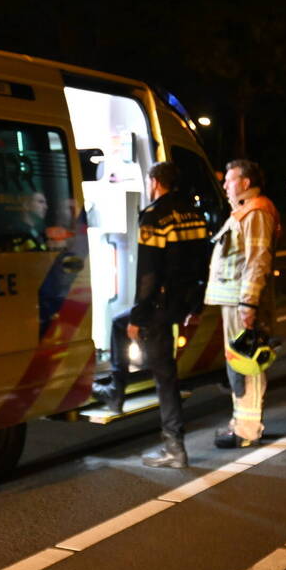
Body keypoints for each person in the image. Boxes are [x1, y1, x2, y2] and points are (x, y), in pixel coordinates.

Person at [92, 161, 209, 468]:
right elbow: (203, 263)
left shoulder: (155, 217)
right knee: (158, 363)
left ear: (155, 182)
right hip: (182, 302)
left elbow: (148, 274)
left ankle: (173, 447)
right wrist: (195, 306)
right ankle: (117, 393)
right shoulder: (193, 213)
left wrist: (137, 317)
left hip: (159, 304)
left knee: (163, 375)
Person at [204, 159, 280, 448]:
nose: (224, 185)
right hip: (235, 302)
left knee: (248, 364)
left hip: (242, 303)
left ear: (245, 183)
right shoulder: (243, 211)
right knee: (239, 363)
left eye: (229, 180)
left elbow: (257, 260)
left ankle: (247, 430)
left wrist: (248, 304)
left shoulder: (257, 211)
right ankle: (242, 423)